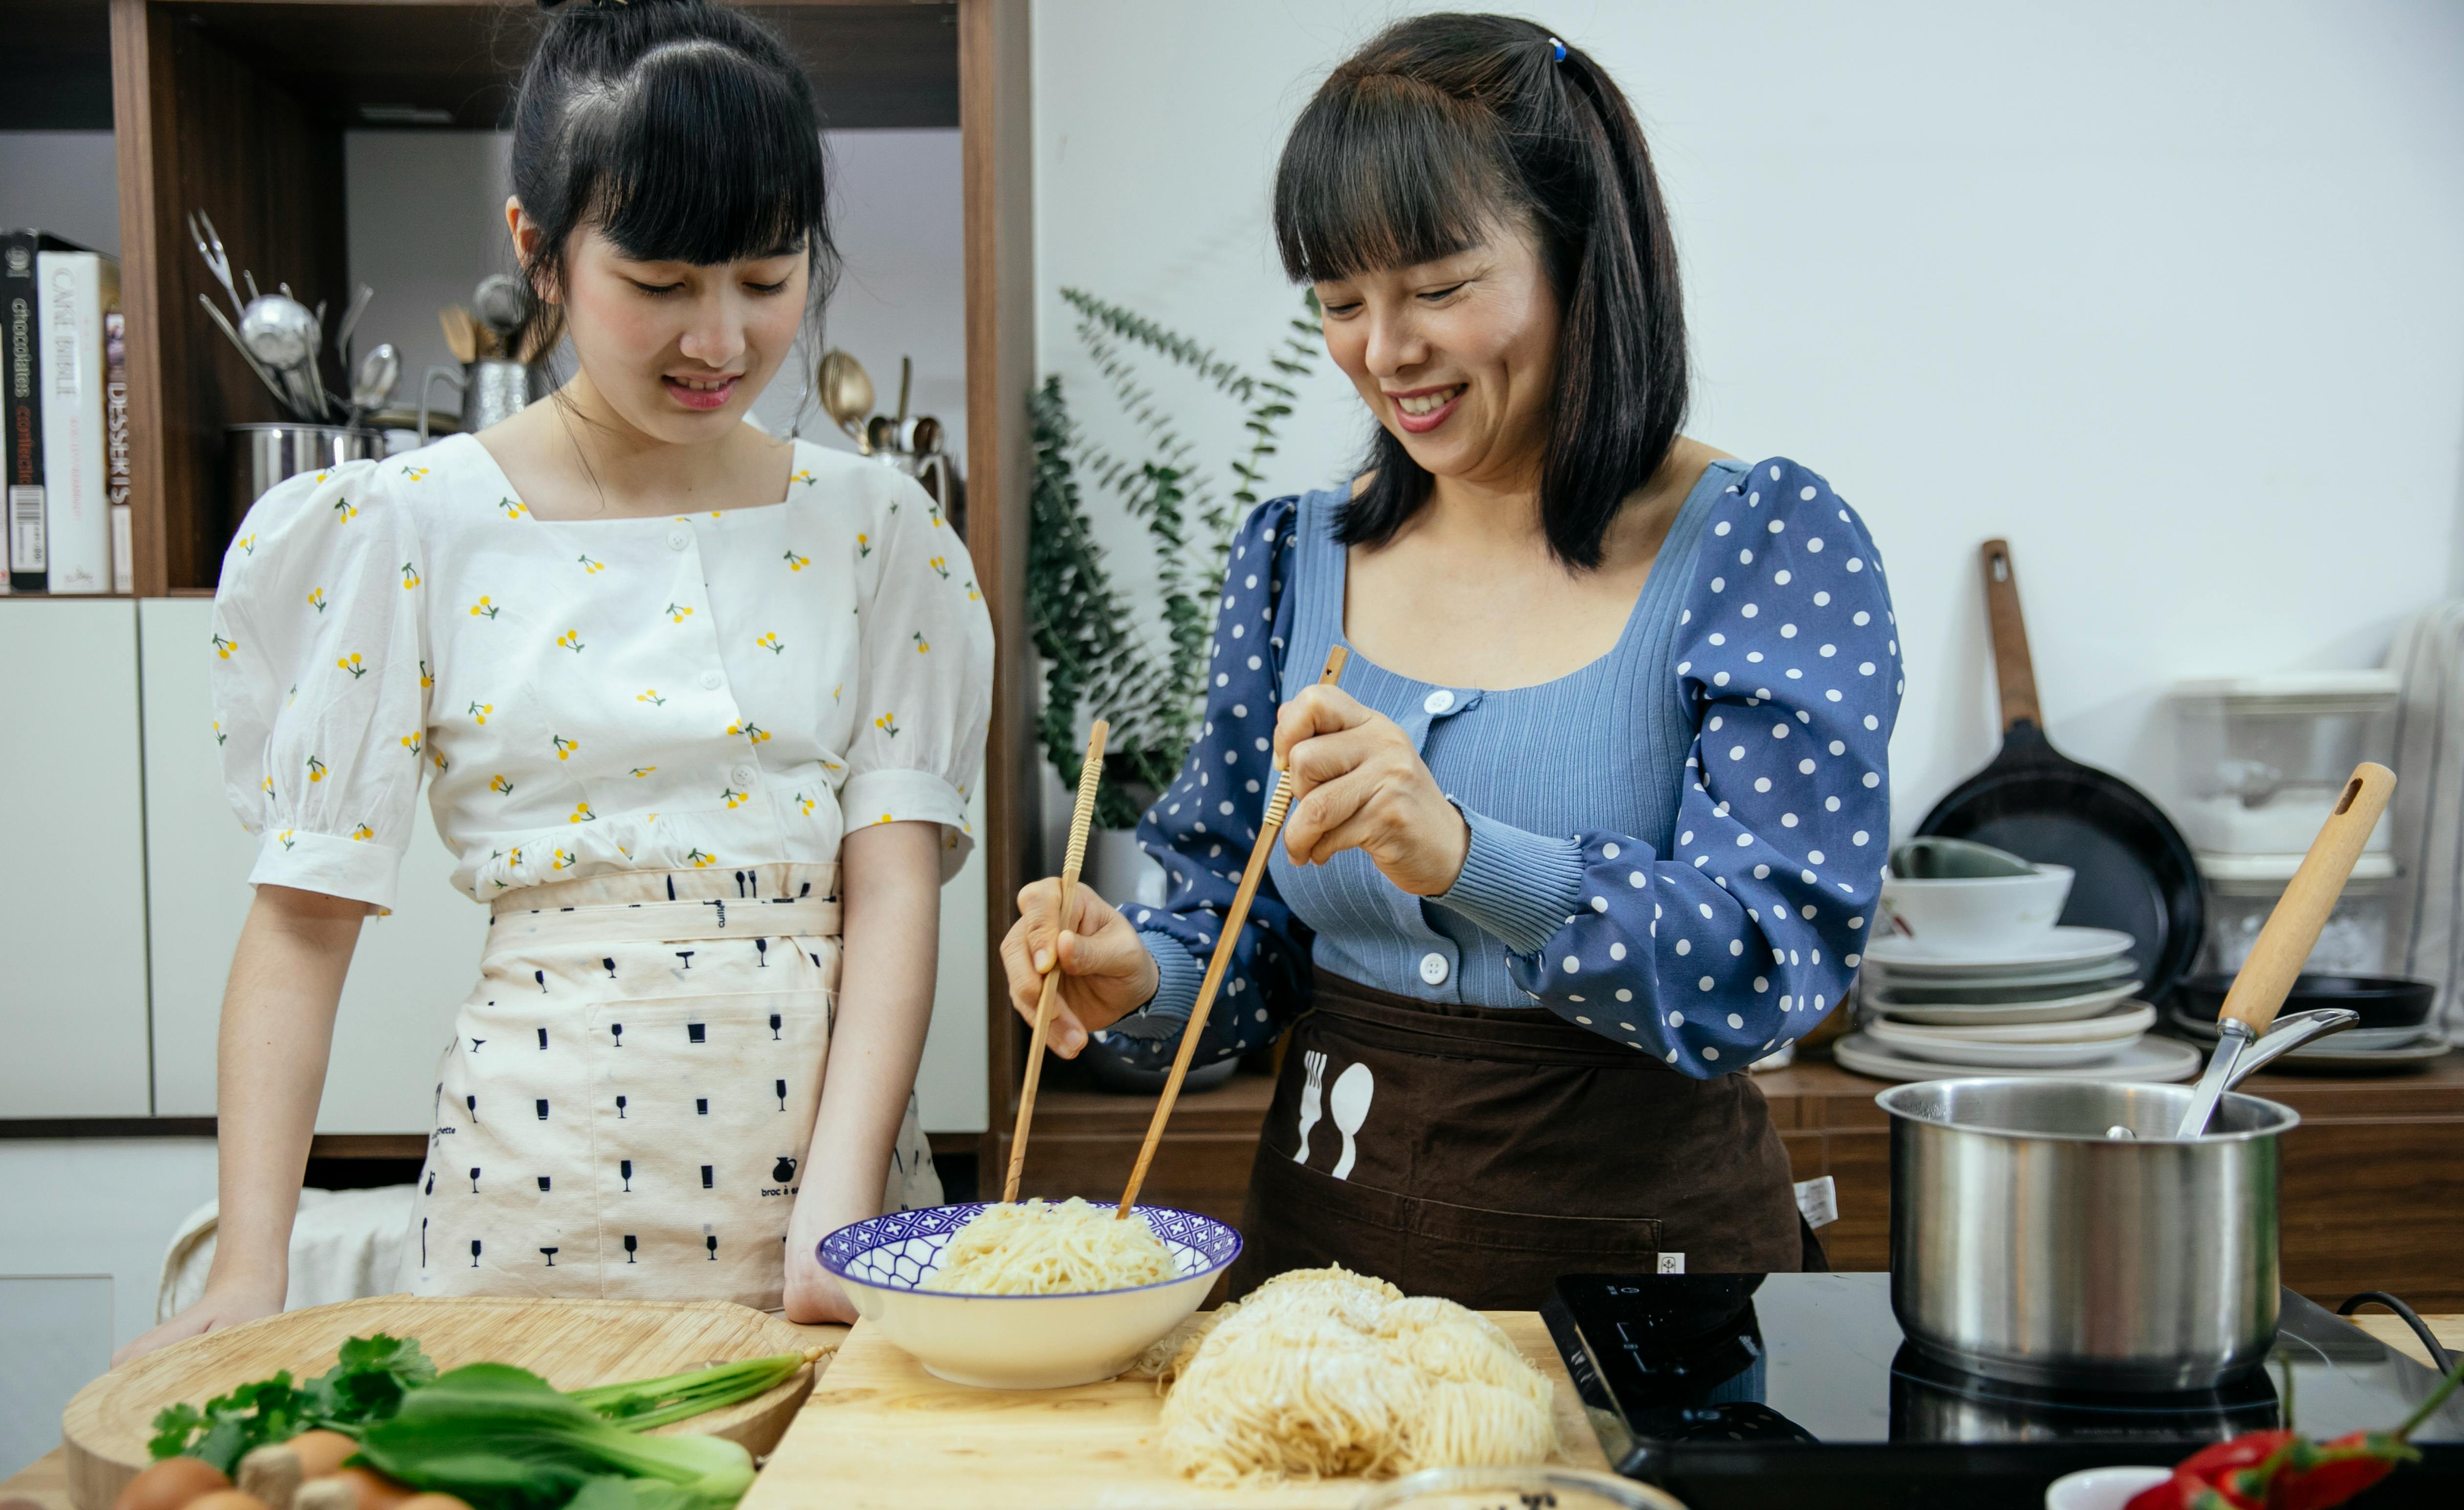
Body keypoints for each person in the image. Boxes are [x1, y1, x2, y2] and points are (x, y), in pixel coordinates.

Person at [118, 0, 991, 1361]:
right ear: (538, 251)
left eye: (766, 280)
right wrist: (247, 1262)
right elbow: (302, 923)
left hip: (831, 1205)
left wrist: (834, 1213)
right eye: (659, 285)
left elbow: (889, 888)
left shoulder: (880, 528)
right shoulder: (409, 525)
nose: (720, 339)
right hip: (528, 1191)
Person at [1001, 14, 1901, 1308]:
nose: (1386, 350)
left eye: (1437, 287)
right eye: (1340, 301)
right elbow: (1234, 922)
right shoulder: (1293, 558)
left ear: (1579, 256)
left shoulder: (1761, 544)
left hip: (1653, 1303)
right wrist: (1135, 969)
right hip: (1318, 1290)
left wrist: (1470, 857)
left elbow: (1764, 965)